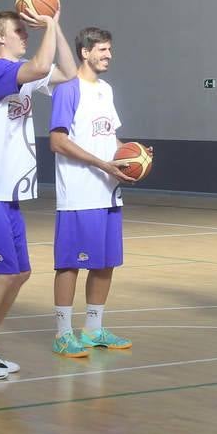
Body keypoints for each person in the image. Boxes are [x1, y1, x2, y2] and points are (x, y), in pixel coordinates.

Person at [0, 8, 77, 379]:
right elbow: (41, 66)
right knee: (5, 273)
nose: (25, 34)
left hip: (5, 192)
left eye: (26, 29)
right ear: (0, 37)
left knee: (20, 272)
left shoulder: (22, 76)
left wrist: (56, 25)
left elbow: (69, 73)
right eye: (19, 30)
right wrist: (48, 25)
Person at [48, 27, 138, 357]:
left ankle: (93, 329)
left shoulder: (106, 90)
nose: (108, 55)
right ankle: (62, 334)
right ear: (85, 52)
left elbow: (111, 138)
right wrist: (102, 164)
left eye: (110, 49)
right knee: (70, 264)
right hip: (79, 193)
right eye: (102, 49)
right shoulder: (68, 89)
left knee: (105, 263)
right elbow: (57, 142)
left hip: (108, 192)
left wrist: (134, 157)